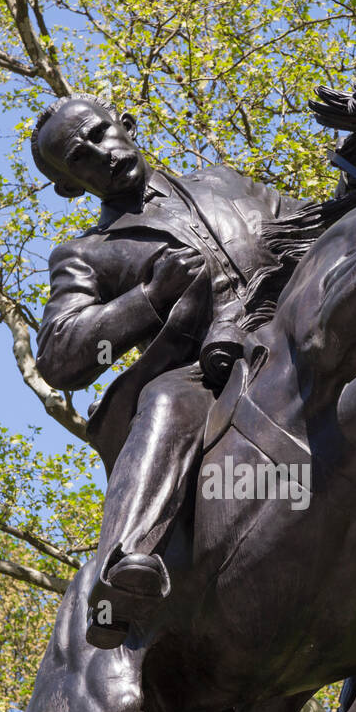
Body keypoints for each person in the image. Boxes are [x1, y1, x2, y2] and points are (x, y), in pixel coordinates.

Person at [31, 95, 304, 646]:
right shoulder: (85, 253)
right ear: (69, 186)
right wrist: (149, 298)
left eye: (100, 133)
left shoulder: (225, 181)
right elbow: (59, 357)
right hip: (205, 371)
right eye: (79, 157)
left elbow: (314, 232)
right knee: (163, 403)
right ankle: (128, 560)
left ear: (124, 124)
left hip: (295, 334)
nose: (101, 154)